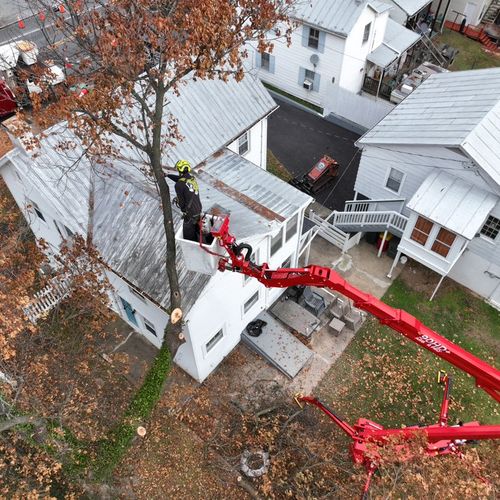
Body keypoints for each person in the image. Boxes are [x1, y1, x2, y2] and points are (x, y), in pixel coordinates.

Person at [166, 159, 203, 242]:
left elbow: (182, 205)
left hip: (190, 215)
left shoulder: (178, 185)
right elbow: (181, 179)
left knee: (188, 238)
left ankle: (194, 250)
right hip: (198, 211)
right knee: (198, 231)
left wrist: (178, 201)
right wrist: (168, 175)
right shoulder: (192, 179)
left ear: (179, 170)